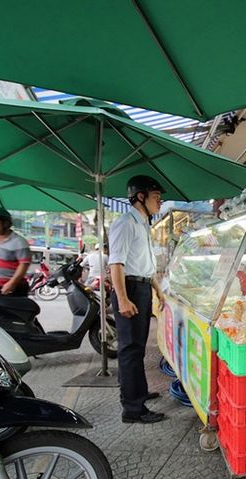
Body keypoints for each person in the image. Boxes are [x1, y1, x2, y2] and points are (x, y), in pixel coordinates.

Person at [109, 175, 166, 424]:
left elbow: (145, 265)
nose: (159, 203)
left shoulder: (143, 224)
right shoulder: (125, 223)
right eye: (156, 198)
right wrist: (122, 299)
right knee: (130, 349)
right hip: (129, 288)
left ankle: (137, 392)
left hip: (141, 287)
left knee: (137, 348)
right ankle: (133, 409)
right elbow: (116, 264)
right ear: (140, 197)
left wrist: (157, 289)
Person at [0, 207, 31, 297]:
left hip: (12, 287)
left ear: (6, 223)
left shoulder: (19, 242)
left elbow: (24, 264)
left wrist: (12, 283)